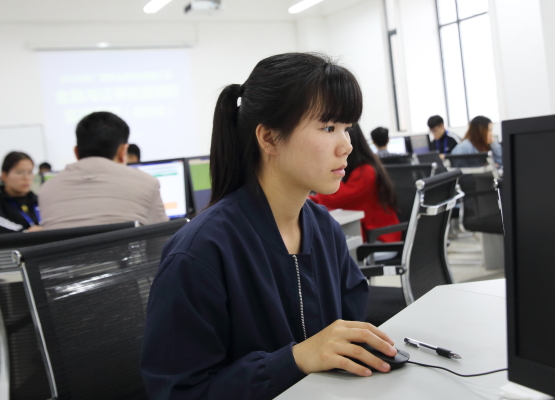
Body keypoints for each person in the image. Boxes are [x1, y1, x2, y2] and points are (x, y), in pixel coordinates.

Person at [141, 53, 397, 400]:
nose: (347, 146)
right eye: (328, 128)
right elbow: (179, 393)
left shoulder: (325, 230)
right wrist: (294, 360)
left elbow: (346, 338)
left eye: (347, 128)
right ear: (270, 138)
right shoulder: (199, 253)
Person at [38, 111, 168, 229]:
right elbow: (163, 237)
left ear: (76, 152)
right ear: (123, 151)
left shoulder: (46, 190)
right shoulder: (147, 183)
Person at [309, 123, 401, 243]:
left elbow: (335, 198)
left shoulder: (366, 171)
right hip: (368, 234)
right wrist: (308, 199)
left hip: (380, 239)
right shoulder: (357, 169)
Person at [0, 152, 42, 234]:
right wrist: (25, 233)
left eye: (30, 172)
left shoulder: (38, 200)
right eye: (20, 172)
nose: (26, 177)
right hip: (15, 241)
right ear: (4, 176)